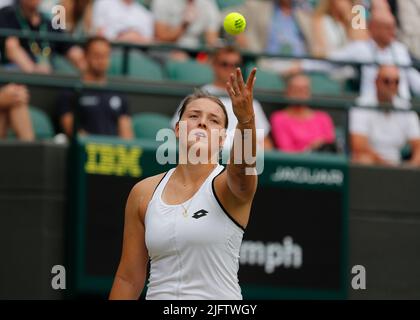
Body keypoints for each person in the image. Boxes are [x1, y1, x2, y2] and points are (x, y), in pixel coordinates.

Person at [109, 68, 259, 300]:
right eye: (193, 116)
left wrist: (246, 120)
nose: (202, 123)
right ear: (178, 130)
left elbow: (241, 172)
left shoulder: (227, 185)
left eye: (214, 120)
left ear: (222, 139)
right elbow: (128, 279)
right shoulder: (143, 192)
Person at [170, 46, 273, 151]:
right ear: (214, 65)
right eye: (224, 64)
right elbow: (178, 134)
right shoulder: (196, 97)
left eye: (235, 65)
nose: (230, 68)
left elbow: (265, 142)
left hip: (242, 161)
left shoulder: (250, 101)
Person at [302, 11, 420, 100]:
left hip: (401, 107)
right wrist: (303, 65)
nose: (392, 32)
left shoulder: (400, 49)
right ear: (374, 28)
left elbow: (412, 77)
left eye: (393, 27)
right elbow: (331, 62)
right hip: (370, 106)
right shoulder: (360, 47)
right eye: (387, 28)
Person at [57, 36, 133, 139]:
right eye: (96, 55)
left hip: (114, 152)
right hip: (86, 152)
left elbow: (127, 136)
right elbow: (73, 131)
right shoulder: (70, 92)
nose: (101, 60)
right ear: (85, 56)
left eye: (105, 55)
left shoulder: (118, 93)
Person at [350, 65, 420, 166]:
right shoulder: (361, 105)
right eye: (387, 81)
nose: (392, 86)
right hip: (371, 164)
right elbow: (359, 146)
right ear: (376, 82)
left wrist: (412, 165)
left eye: (396, 82)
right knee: (363, 159)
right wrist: (386, 165)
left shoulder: (405, 108)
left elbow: (418, 145)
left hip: (398, 164)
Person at [0, 0, 86, 73]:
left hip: (49, 74)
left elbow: (72, 50)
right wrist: (34, 70)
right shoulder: (8, 15)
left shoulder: (47, 22)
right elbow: (11, 48)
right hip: (19, 77)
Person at [270, 74, 336, 153]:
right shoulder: (279, 118)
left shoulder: (323, 117)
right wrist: (309, 148)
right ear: (287, 91)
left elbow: (330, 146)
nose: (300, 92)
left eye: (305, 89)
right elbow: (286, 150)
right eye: (296, 89)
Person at [152, 0, 221, 48]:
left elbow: (211, 39)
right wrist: (184, 25)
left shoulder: (208, 4)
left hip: (196, 53)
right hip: (168, 50)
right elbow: (161, 36)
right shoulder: (163, 2)